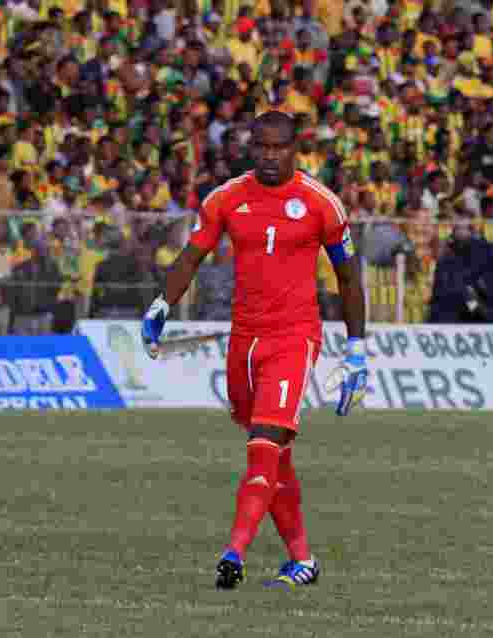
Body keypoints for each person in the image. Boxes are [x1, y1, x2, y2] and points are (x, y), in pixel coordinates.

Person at [141, 111, 369, 591]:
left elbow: (348, 277)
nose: (269, 156)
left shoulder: (320, 203)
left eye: (279, 147)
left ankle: (234, 552)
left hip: (294, 338)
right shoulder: (226, 198)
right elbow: (192, 255)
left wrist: (357, 350)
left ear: (295, 149)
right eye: (261, 147)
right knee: (276, 456)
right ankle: (302, 561)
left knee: (263, 447)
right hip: (243, 341)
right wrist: (163, 303)